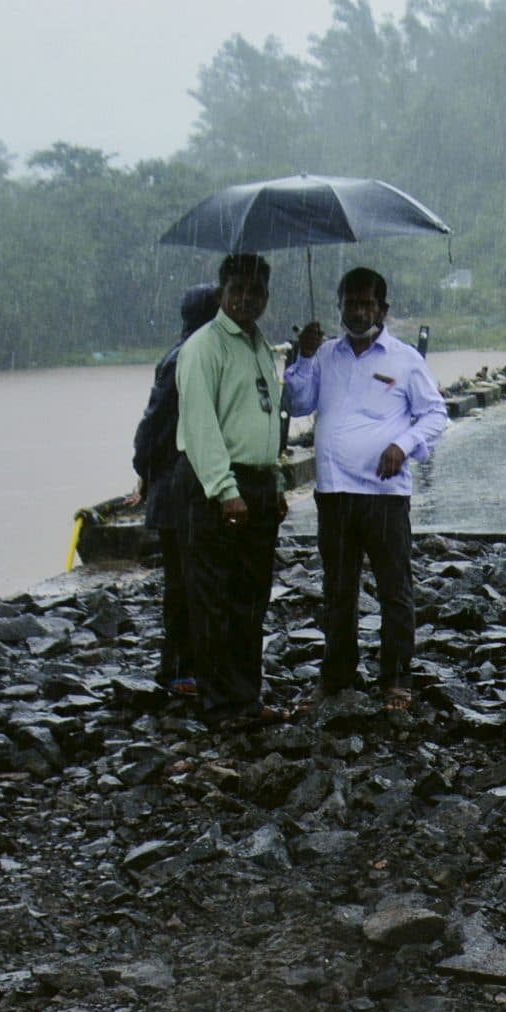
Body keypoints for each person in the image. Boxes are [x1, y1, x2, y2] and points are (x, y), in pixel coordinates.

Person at [285, 266, 448, 715]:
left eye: (367, 303)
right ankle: (337, 677)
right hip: (334, 494)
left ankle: (396, 677)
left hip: (385, 494)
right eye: (350, 304)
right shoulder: (325, 356)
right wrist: (301, 356)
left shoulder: (404, 358)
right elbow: (297, 403)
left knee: (395, 588)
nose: (358, 312)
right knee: (338, 589)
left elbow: (435, 415)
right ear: (338, 308)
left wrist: (404, 444)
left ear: (383, 309)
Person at [173, 252, 286, 731]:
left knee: (251, 596)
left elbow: (264, 419)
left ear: (266, 296)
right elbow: (200, 427)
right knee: (214, 597)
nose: (246, 299)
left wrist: (276, 482)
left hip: (258, 483)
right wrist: (226, 491)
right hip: (215, 485)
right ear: (221, 293)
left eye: (256, 291)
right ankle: (219, 704)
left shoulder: (260, 345)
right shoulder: (204, 348)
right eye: (237, 290)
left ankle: (247, 695)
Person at [129, 281, 218, 695]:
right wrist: (148, 470)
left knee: (192, 579)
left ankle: (192, 664)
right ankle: (182, 668)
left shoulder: (189, 353)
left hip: (180, 481)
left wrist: (145, 469)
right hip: (176, 486)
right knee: (185, 581)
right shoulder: (186, 358)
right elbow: (156, 425)